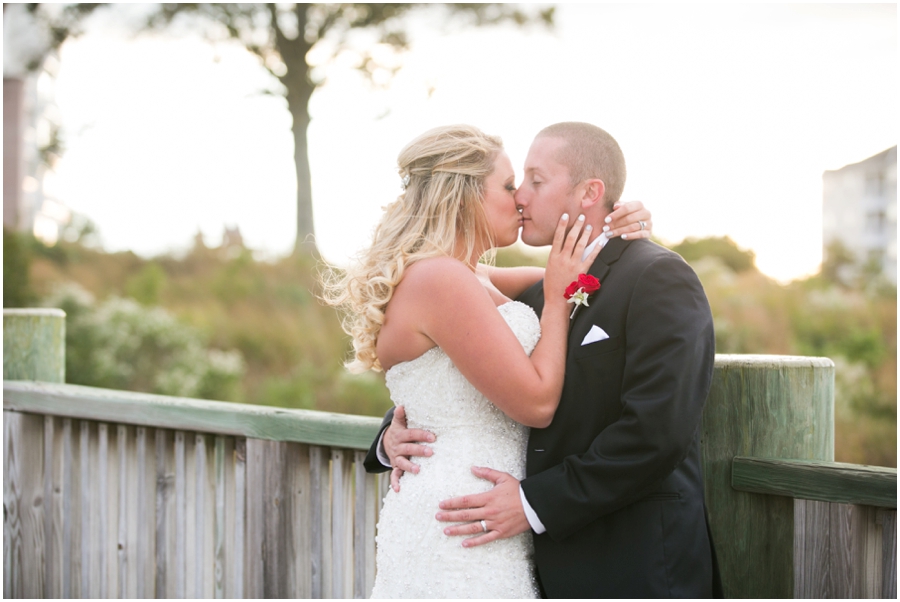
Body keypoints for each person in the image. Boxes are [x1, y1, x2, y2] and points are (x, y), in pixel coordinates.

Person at [371, 122, 719, 598]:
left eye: (534, 182)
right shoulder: (540, 292)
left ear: (589, 192)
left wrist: (533, 503)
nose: (520, 199)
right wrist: (391, 433)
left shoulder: (657, 278)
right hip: (512, 551)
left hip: (632, 565)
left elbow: (657, 432)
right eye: (514, 185)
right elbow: (458, 370)